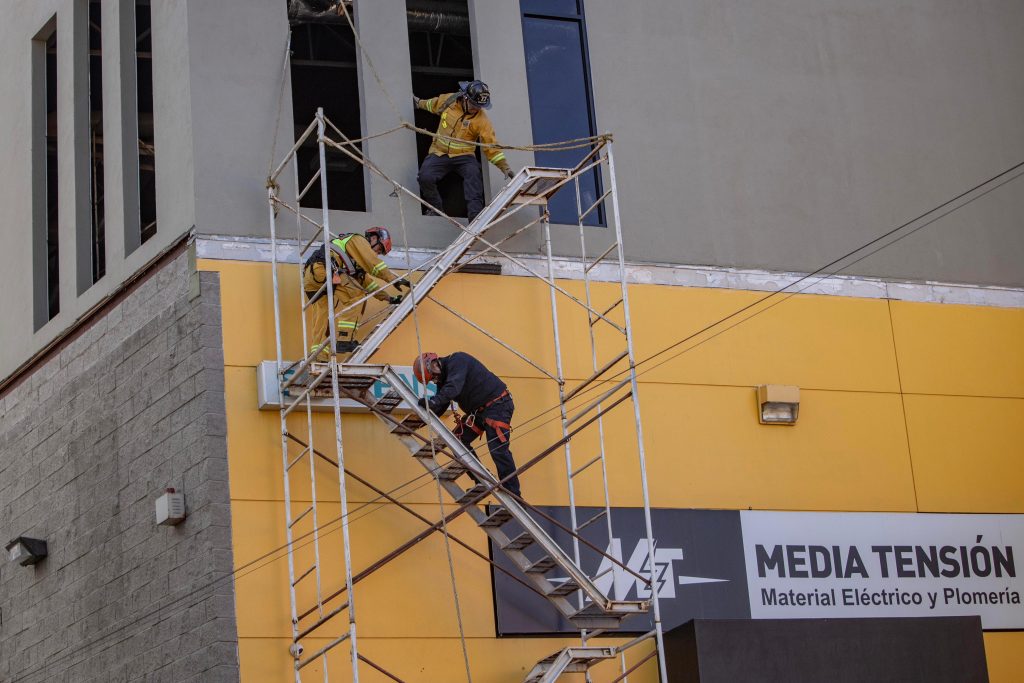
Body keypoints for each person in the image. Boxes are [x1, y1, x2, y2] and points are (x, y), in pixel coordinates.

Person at [412, 351, 521, 497]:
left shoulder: (458, 361)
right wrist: (419, 420)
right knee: (457, 440)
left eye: (434, 377)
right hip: (479, 412)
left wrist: (433, 402)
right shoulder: (445, 379)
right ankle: (480, 480)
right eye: (432, 380)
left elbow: (453, 388)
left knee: (498, 450)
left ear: (434, 364)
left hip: (497, 405)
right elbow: (440, 404)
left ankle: (514, 494)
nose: (435, 380)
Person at [413, 80, 515, 222]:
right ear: (465, 97)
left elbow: (491, 146)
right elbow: (433, 104)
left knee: (473, 175)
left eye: (479, 106)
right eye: (474, 105)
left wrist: (505, 167)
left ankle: (475, 219)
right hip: (439, 152)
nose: (477, 109)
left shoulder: (482, 121)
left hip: (464, 156)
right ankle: (435, 209)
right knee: (425, 177)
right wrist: (418, 103)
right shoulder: (449, 101)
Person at [303, 227, 408, 359]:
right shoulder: (358, 240)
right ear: (374, 238)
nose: (377, 253)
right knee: (356, 296)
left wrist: (389, 298)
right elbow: (372, 263)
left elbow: (368, 285)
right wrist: (394, 279)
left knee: (322, 317)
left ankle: (319, 356)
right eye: (379, 249)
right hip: (325, 268)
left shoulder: (355, 262)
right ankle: (344, 340)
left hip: (312, 276)